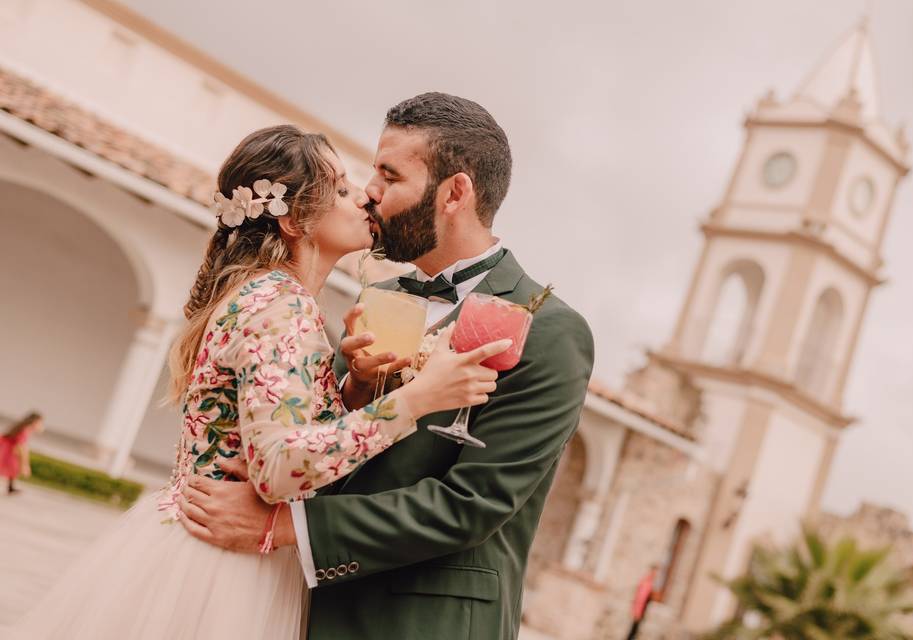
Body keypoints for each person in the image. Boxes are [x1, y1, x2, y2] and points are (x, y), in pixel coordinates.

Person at [3, 124, 510, 640]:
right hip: (223, 573)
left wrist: (356, 387)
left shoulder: (268, 296)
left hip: (200, 551)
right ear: (294, 220)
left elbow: (280, 440)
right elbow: (279, 469)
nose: (362, 197)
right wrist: (417, 399)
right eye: (338, 188)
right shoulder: (281, 306)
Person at [180, 93, 595, 640]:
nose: (370, 193)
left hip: (426, 623)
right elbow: (317, 443)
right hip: (302, 608)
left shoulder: (550, 330)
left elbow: (470, 505)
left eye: (389, 176)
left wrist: (285, 526)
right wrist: (353, 389)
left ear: (455, 193)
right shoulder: (376, 294)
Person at [0, 411, 43, 494]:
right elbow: (21, 447)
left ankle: (11, 487)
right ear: (35, 422)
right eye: (40, 423)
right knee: (9, 466)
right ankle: (11, 487)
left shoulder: (23, 428)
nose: (40, 425)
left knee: (12, 467)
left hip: (7, 448)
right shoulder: (25, 430)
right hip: (5, 449)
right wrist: (25, 464)